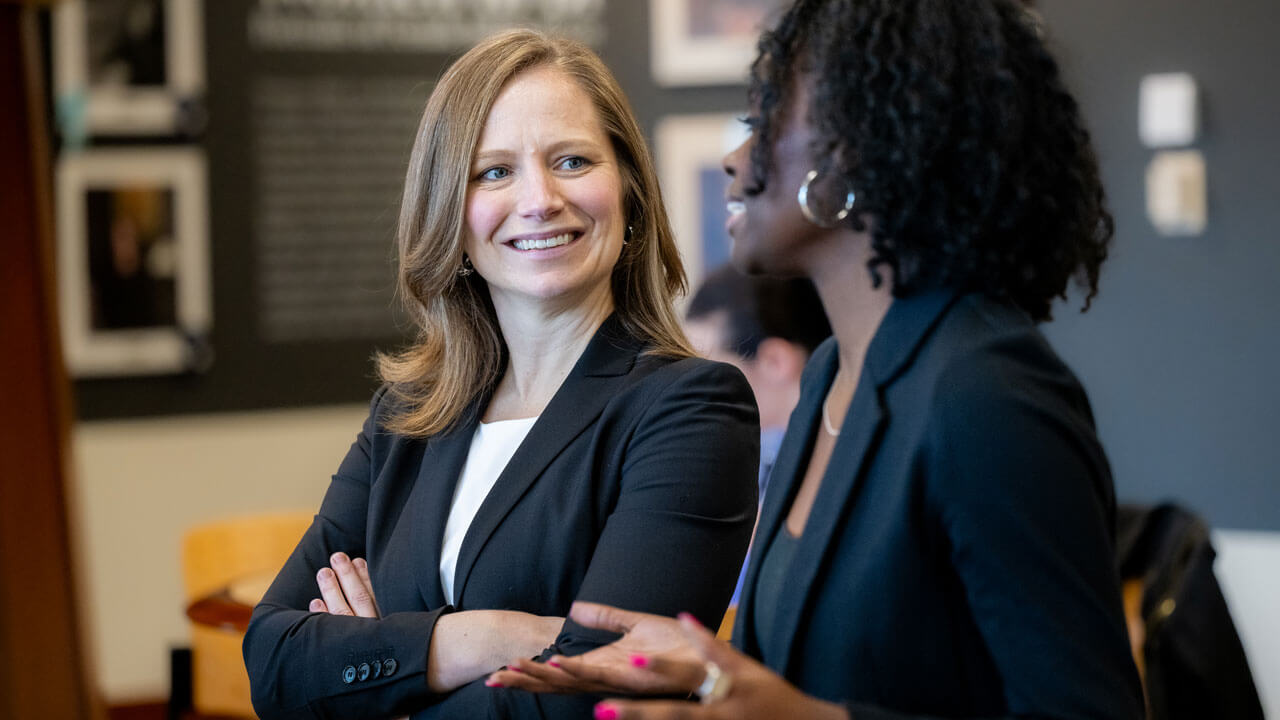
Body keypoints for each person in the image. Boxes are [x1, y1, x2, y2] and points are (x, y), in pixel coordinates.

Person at [485, 1, 1147, 719]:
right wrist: (711, 677)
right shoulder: (833, 375)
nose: (736, 158)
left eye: (765, 117)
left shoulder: (987, 393)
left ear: (858, 149)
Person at [241, 29, 760, 720]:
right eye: (494, 172)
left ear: (629, 191)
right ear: (450, 215)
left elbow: (596, 696)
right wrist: (482, 638)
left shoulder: (691, 409)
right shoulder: (408, 415)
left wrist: (371, 675)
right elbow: (273, 660)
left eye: (572, 160)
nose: (540, 198)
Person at [683, 265, 829, 604]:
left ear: (775, 362)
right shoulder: (761, 450)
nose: (693, 391)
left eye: (708, 370)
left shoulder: (834, 460)